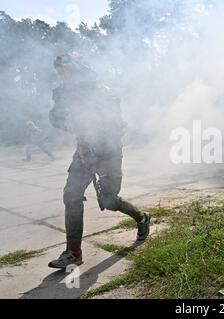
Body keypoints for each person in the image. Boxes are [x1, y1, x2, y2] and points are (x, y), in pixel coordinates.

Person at [47, 52, 150, 269]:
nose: (63, 76)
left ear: (79, 71)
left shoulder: (103, 93)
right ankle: (73, 252)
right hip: (84, 150)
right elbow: (54, 115)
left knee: (109, 200)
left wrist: (99, 152)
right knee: (71, 194)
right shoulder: (62, 93)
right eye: (60, 72)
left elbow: (115, 125)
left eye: (67, 71)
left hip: (108, 151)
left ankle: (141, 218)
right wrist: (65, 123)